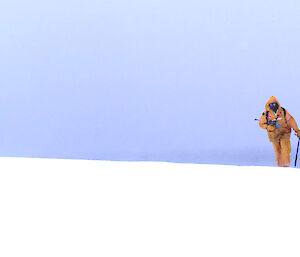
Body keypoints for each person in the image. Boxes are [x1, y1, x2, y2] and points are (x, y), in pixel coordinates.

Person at [259, 96, 300, 167]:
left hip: (285, 133)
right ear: (268, 105)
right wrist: (268, 127)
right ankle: (280, 166)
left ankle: (285, 166)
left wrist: (297, 130)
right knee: (278, 151)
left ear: (277, 104)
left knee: (286, 149)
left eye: (274, 104)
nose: (273, 106)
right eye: (271, 104)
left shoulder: (283, 111)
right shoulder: (266, 114)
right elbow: (261, 124)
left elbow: (291, 120)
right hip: (274, 136)